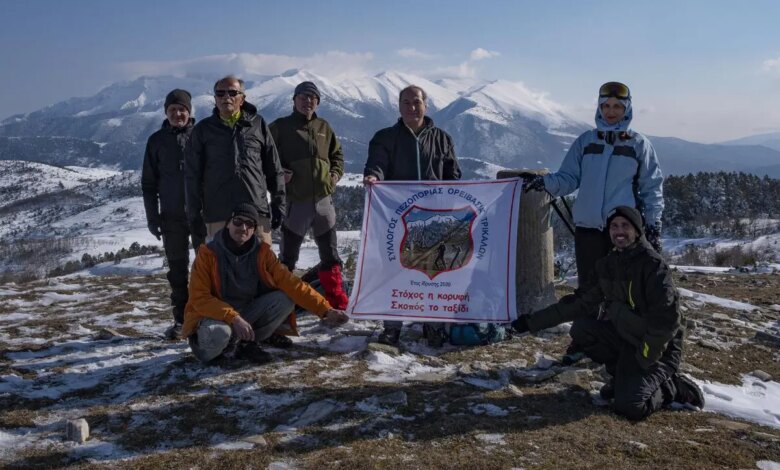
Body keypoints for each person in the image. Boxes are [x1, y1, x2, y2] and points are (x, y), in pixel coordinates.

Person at [512, 206, 704, 421]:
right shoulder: (608, 264)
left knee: (630, 406)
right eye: (614, 226)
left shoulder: (653, 266)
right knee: (583, 329)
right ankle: (622, 377)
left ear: (637, 231)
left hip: (658, 349)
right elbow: (578, 304)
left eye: (625, 226)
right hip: (627, 339)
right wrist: (530, 322)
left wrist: (645, 357)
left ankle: (672, 387)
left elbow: (666, 322)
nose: (619, 231)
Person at [521, 81, 664, 364]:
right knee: (587, 290)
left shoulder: (638, 144)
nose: (611, 112)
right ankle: (583, 339)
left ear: (627, 109)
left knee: (624, 290)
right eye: (606, 106)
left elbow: (652, 187)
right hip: (588, 229)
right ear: (599, 108)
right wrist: (543, 183)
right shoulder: (586, 142)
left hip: (621, 231)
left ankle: (623, 341)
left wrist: (652, 224)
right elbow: (569, 178)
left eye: (617, 107)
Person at [183, 203, 349, 364]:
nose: (243, 228)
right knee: (219, 333)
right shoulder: (208, 254)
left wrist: (325, 311)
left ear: (254, 230)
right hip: (214, 318)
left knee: (285, 298)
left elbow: (292, 284)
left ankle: (245, 342)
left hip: (245, 314)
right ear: (228, 224)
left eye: (249, 224)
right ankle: (211, 351)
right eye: (238, 222)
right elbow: (200, 298)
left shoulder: (262, 253)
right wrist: (232, 318)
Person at [364, 85, 461, 347]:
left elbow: (453, 175)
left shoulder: (442, 138)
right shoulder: (385, 137)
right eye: (406, 102)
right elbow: (377, 164)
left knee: (433, 272)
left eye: (416, 102)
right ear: (398, 106)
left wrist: (450, 205)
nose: (412, 107)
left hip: (434, 218)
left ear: (426, 106)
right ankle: (391, 326)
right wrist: (374, 176)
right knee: (394, 271)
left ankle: (433, 325)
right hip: (398, 219)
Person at [269, 81, 349, 310]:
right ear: (294, 100)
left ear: (318, 102)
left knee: (330, 255)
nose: (308, 101)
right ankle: (281, 306)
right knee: (288, 258)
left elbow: (338, 155)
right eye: (303, 97)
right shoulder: (281, 126)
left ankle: (336, 302)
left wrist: (334, 175)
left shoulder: (324, 126)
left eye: (312, 98)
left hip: (324, 201)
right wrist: (278, 175)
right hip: (296, 201)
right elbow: (265, 156)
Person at [185, 75, 286, 249]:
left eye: (232, 92)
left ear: (242, 98)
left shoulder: (258, 124)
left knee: (261, 268)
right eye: (220, 93)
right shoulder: (202, 130)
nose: (226, 97)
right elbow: (192, 175)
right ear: (215, 98)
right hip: (218, 214)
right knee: (219, 270)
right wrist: (194, 216)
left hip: (256, 212)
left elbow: (274, 168)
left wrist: (279, 204)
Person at [142, 89, 196, 340]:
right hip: (171, 216)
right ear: (166, 112)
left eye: (182, 109)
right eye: (172, 109)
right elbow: (149, 184)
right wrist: (153, 217)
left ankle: (208, 315)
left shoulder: (201, 136)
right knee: (177, 270)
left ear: (189, 111)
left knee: (208, 268)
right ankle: (181, 320)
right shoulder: (156, 141)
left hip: (201, 214)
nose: (177, 114)